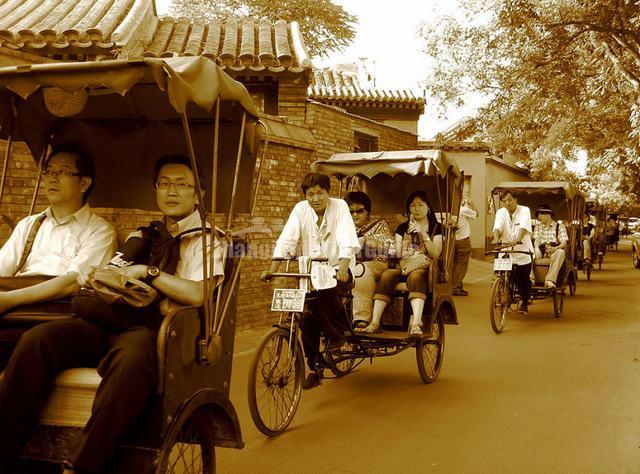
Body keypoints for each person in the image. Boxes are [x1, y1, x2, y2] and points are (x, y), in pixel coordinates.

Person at [0, 154, 225, 474]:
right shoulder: (144, 234)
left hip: (155, 329)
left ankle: (84, 465)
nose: (171, 191)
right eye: (164, 184)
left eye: (181, 184)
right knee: (38, 340)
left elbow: (198, 293)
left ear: (198, 192)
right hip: (107, 317)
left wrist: (149, 272)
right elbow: (111, 273)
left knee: (131, 363)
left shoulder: (210, 240)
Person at [0, 146, 117, 369]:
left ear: (84, 183)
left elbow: (72, 284)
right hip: (14, 308)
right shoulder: (30, 224)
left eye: (62, 172)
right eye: (49, 171)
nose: (52, 179)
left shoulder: (100, 231)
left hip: (55, 315)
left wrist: (9, 300)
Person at [261, 172, 360, 390]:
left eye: (319, 193)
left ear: (328, 192)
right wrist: (272, 269)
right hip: (311, 273)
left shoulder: (340, 207)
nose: (315, 198)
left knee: (326, 288)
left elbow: (347, 239)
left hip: (339, 268)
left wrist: (343, 268)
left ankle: (338, 334)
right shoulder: (300, 209)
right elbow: (287, 239)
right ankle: (315, 367)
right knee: (305, 319)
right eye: (310, 194)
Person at [357, 191, 443, 336]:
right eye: (413, 205)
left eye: (420, 205)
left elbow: (436, 253)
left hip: (424, 266)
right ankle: (375, 322)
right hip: (403, 264)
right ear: (408, 209)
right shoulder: (402, 228)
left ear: (428, 208)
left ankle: (416, 323)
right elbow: (396, 253)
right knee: (387, 275)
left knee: (415, 277)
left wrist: (423, 234)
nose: (416, 208)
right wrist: (377, 247)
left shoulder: (437, 227)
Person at [345, 191, 394, 325]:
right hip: (347, 264)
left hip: (377, 263)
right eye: (351, 212)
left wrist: (367, 241)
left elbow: (389, 248)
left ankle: (361, 319)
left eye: (360, 211)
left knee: (360, 271)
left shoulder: (379, 225)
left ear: (367, 212)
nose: (355, 215)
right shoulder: (344, 228)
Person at [491, 190, 534, 314]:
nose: (507, 203)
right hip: (506, 250)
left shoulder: (524, 210)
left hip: (522, 252)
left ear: (516, 200)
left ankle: (524, 302)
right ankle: (501, 290)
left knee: (522, 279)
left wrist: (518, 239)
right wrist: (495, 238)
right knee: (500, 272)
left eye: (510, 200)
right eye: (504, 201)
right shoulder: (501, 212)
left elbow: (523, 227)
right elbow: (497, 227)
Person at [532, 204, 568, 289]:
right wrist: (536, 247)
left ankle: (550, 280)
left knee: (561, 252)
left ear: (548, 215)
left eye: (541, 214)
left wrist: (556, 248)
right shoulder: (538, 226)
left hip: (554, 250)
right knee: (528, 251)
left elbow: (564, 242)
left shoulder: (559, 226)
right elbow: (536, 239)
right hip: (541, 250)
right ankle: (531, 279)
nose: (539, 217)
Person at [452, 193, 478, 296]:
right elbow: (477, 214)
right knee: (461, 266)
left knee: (454, 265)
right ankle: (456, 287)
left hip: (453, 240)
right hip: (463, 240)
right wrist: (471, 203)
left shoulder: (452, 211)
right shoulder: (463, 210)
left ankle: (456, 285)